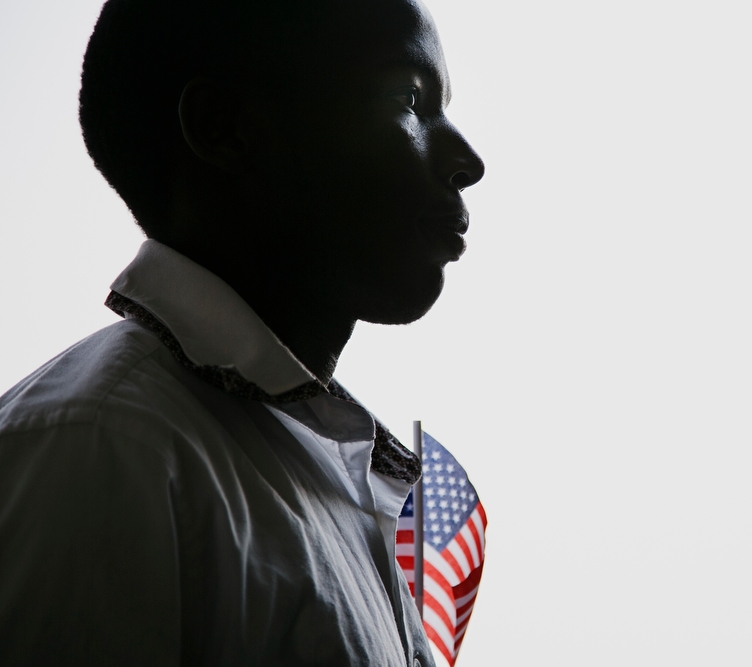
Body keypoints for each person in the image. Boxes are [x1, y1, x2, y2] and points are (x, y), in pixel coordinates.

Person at [0, 0, 484, 663]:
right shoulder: (106, 445)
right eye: (409, 96)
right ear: (225, 128)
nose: (467, 158)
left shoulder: (325, 474)